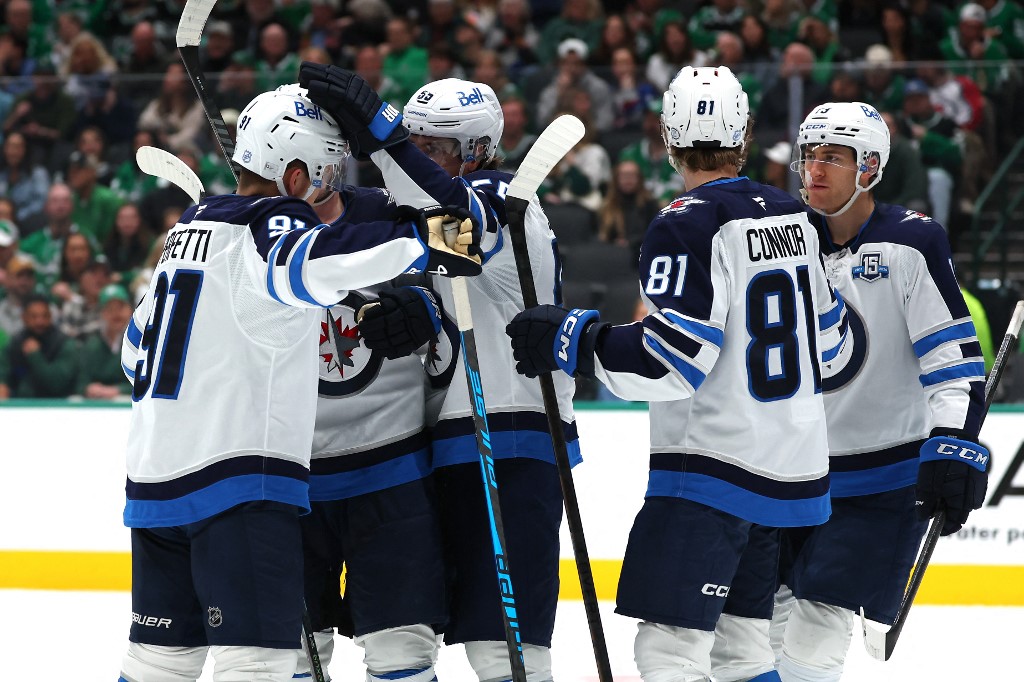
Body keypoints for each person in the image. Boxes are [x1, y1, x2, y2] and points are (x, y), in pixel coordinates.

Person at [115, 87, 481, 681]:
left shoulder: (189, 230)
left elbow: (134, 352)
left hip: (153, 486)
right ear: (293, 175)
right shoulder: (272, 224)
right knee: (257, 664)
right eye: (326, 172)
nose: (332, 187)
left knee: (159, 662)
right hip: (237, 484)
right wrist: (432, 239)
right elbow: (320, 260)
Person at [505, 66, 849, 682]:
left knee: (669, 653)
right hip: (789, 471)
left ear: (667, 137)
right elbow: (833, 344)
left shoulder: (685, 221)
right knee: (745, 651)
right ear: (744, 134)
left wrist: (573, 338)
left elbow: (670, 362)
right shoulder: (795, 216)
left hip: (711, 473)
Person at [300, 66, 580, 682]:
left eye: (435, 148)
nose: (421, 159)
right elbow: (453, 279)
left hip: (508, 437)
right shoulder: (439, 215)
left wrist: (384, 138)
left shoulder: (502, 200)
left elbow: (457, 223)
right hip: (451, 444)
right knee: (412, 639)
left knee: (504, 652)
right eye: (417, 144)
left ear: (476, 150)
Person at [769, 101, 988, 682]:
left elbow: (951, 361)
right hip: (791, 472)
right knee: (761, 630)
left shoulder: (911, 243)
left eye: (833, 157)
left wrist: (952, 441)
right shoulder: (781, 241)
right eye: (809, 155)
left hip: (881, 479)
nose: (815, 169)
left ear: (869, 167)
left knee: (816, 629)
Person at [0, 293, 79, 400]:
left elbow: (57, 384)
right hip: (21, 404)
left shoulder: (64, 343)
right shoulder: (15, 343)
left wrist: (35, 356)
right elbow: (4, 374)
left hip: (58, 404)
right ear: (23, 317)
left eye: (45, 316)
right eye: (34, 317)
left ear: (51, 316)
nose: (40, 321)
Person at [74, 282, 134, 399]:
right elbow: (80, 381)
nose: (116, 313)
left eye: (120, 307)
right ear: (102, 313)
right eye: (110, 309)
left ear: (130, 310)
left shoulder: (141, 343)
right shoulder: (91, 344)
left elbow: (147, 382)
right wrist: (88, 388)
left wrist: (118, 390)